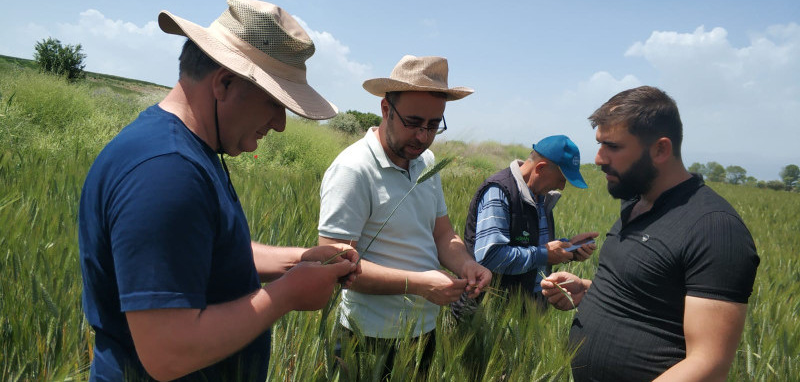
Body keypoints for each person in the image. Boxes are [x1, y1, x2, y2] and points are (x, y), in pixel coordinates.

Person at [78, 0, 359, 381]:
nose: (280, 124)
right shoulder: (166, 173)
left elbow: (197, 254)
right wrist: (287, 295)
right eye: (275, 103)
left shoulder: (184, 150)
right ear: (224, 82)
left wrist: (299, 261)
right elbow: (167, 353)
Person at [541, 86, 760, 381]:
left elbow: (709, 364)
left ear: (660, 149)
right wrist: (588, 291)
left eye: (613, 147)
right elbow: (653, 293)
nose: (598, 158)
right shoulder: (636, 204)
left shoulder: (714, 228)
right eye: (599, 144)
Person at [317, 55, 492, 374]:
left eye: (433, 125)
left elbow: (442, 234)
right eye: (413, 123)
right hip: (367, 338)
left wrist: (467, 264)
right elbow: (335, 263)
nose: (423, 137)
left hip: (422, 332)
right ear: (386, 110)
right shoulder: (353, 169)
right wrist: (419, 284)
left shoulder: (427, 163)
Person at [453, 135, 598, 319]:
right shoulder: (499, 192)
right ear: (541, 168)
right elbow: (489, 257)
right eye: (562, 179)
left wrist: (568, 248)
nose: (562, 187)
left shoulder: (541, 196)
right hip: (488, 318)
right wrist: (545, 254)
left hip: (524, 313)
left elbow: (532, 245)